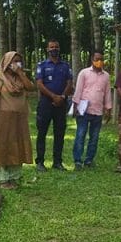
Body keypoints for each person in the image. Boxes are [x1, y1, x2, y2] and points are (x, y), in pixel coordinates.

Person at [0, 51, 36, 189]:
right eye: (14, 61)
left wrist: (20, 73)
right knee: (1, 146)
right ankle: (2, 179)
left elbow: (31, 87)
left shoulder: (21, 79)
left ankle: (14, 177)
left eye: (19, 61)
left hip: (19, 119)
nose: (17, 64)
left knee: (17, 145)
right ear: (6, 63)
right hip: (2, 118)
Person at [34, 40, 73, 172]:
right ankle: (40, 162)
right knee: (42, 133)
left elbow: (69, 83)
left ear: (59, 48)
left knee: (59, 133)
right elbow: (39, 84)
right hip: (46, 103)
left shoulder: (66, 66)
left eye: (56, 47)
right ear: (47, 49)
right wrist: (53, 96)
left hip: (61, 104)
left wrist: (62, 97)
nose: (54, 49)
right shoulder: (42, 65)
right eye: (51, 47)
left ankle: (57, 162)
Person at [71, 51, 112, 170]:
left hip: (98, 111)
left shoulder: (106, 76)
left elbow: (107, 93)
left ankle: (89, 160)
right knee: (80, 135)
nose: (99, 61)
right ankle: (78, 161)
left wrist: (108, 109)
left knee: (94, 137)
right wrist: (75, 107)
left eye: (101, 59)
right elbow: (78, 90)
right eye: (96, 59)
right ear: (92, 60)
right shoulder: (84, 73)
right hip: (83, 110)